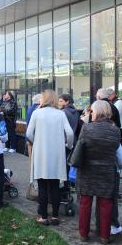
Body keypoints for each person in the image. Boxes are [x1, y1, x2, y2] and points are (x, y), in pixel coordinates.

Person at [70, 100, 120, 244]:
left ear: (97, 112)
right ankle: (105, 236)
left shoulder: (86, 129)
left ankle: (83, 235)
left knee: (85, 203)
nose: (90, 114)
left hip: (87, 171)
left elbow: (80, 148)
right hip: (107, 172)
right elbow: (116, 148)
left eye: (92, 111)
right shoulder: (115, 130)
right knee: (106, 204)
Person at [26, 90, 73, 226]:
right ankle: (55, 216)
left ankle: (43, 216)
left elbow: (29, 133)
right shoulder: (60, 114)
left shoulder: (37, 113)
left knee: (42, 186)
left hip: (41, 153)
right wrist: (68, 146)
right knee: (54, 186)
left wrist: (37, 142)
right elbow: (69, 133)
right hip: (57, 154)